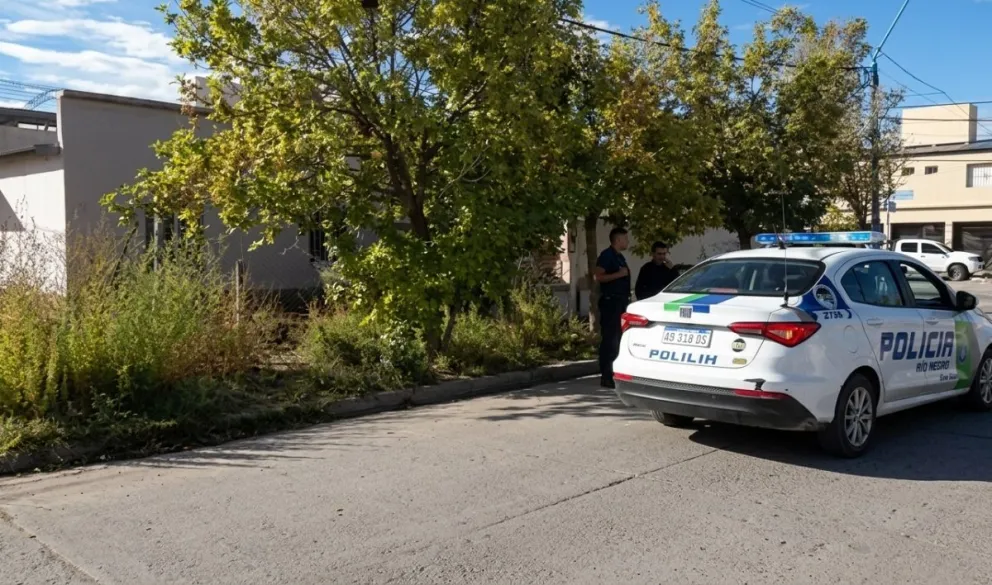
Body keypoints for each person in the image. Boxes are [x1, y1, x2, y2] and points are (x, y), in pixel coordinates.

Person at [594, 227, 631, 389]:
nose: (627, 241)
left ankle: (615, 374)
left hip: (620, 302)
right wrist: (619, 274)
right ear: (618, 240)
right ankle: (606, 376)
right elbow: (598, 276)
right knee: (610, 339)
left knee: (618, 339)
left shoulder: (619, 257)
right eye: (625, 239)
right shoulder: (607, 256)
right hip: (611, 303)